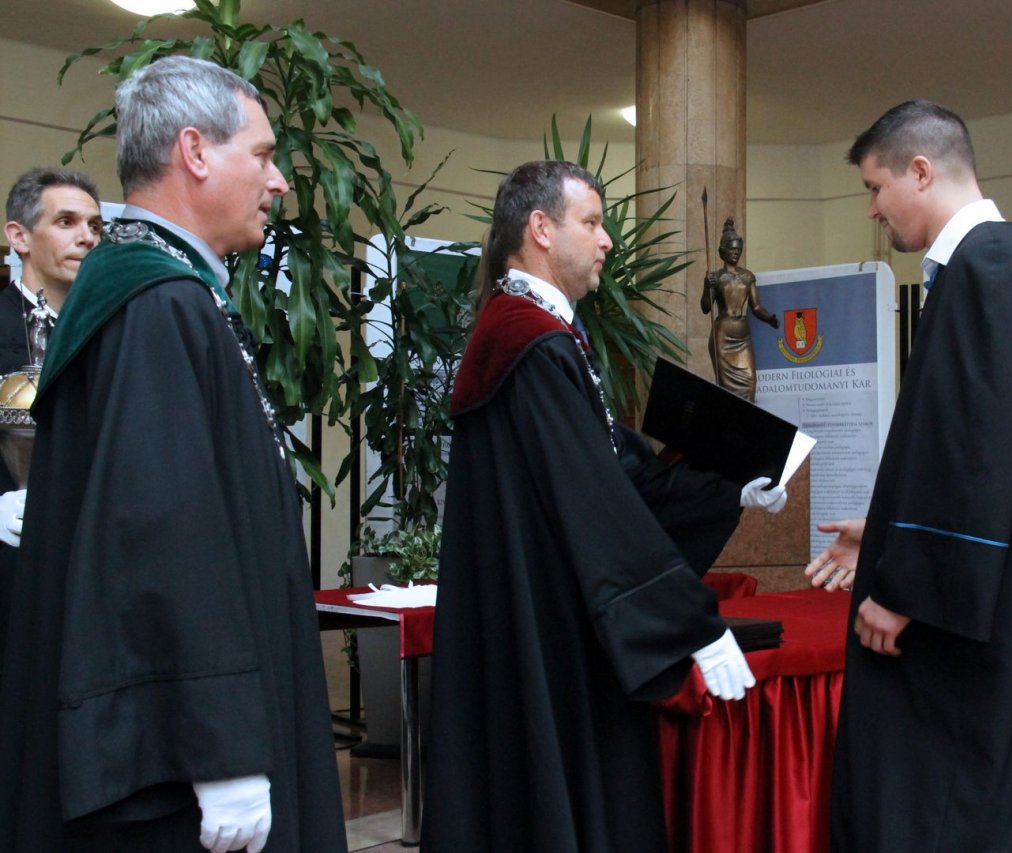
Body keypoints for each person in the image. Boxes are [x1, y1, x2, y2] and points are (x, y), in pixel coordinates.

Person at [0, 57, 345, 852]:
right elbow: (162, 531)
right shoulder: (156, 302)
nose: (278, 181)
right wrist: (220, 750)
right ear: (194, 152)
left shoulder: (165, 290)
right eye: (262, 155)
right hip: (177, 775)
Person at [426, 160, 783, 852]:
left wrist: (727, 487)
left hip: (545, 616)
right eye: (591, 222)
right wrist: (684, 618)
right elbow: (594, 504)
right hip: (555, 631)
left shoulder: (532, 332)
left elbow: (614, 471)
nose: (607, 240)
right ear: (540, 229)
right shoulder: (531, 342)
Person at [804, 100, 1012, 852]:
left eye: (875, 187)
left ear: (922, 171)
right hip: (991, 600)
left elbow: (977, 456)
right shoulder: (1005, 264)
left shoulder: (991, 269)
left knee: (936, 810)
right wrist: (886, 531)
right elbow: (974, 452)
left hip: (960, 632)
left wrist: (904, 587)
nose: (872, 210)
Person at [0, 168, 101, 674]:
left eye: (94, 225)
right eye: (66, 221)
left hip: (91, 561)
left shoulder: (112, 331)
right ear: (19, 236)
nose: (86, 237)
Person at [701, 217, 778, 401]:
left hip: (742, 335)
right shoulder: (716, 278)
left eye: (738, 250)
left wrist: (769, 319)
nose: (735, 253)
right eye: (732, 249)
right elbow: (705, 308)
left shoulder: (747, 276)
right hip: (723, 334)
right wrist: (706, 287)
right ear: (723, 251)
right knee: (726, 391)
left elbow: (756, 306)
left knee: (750, 383)